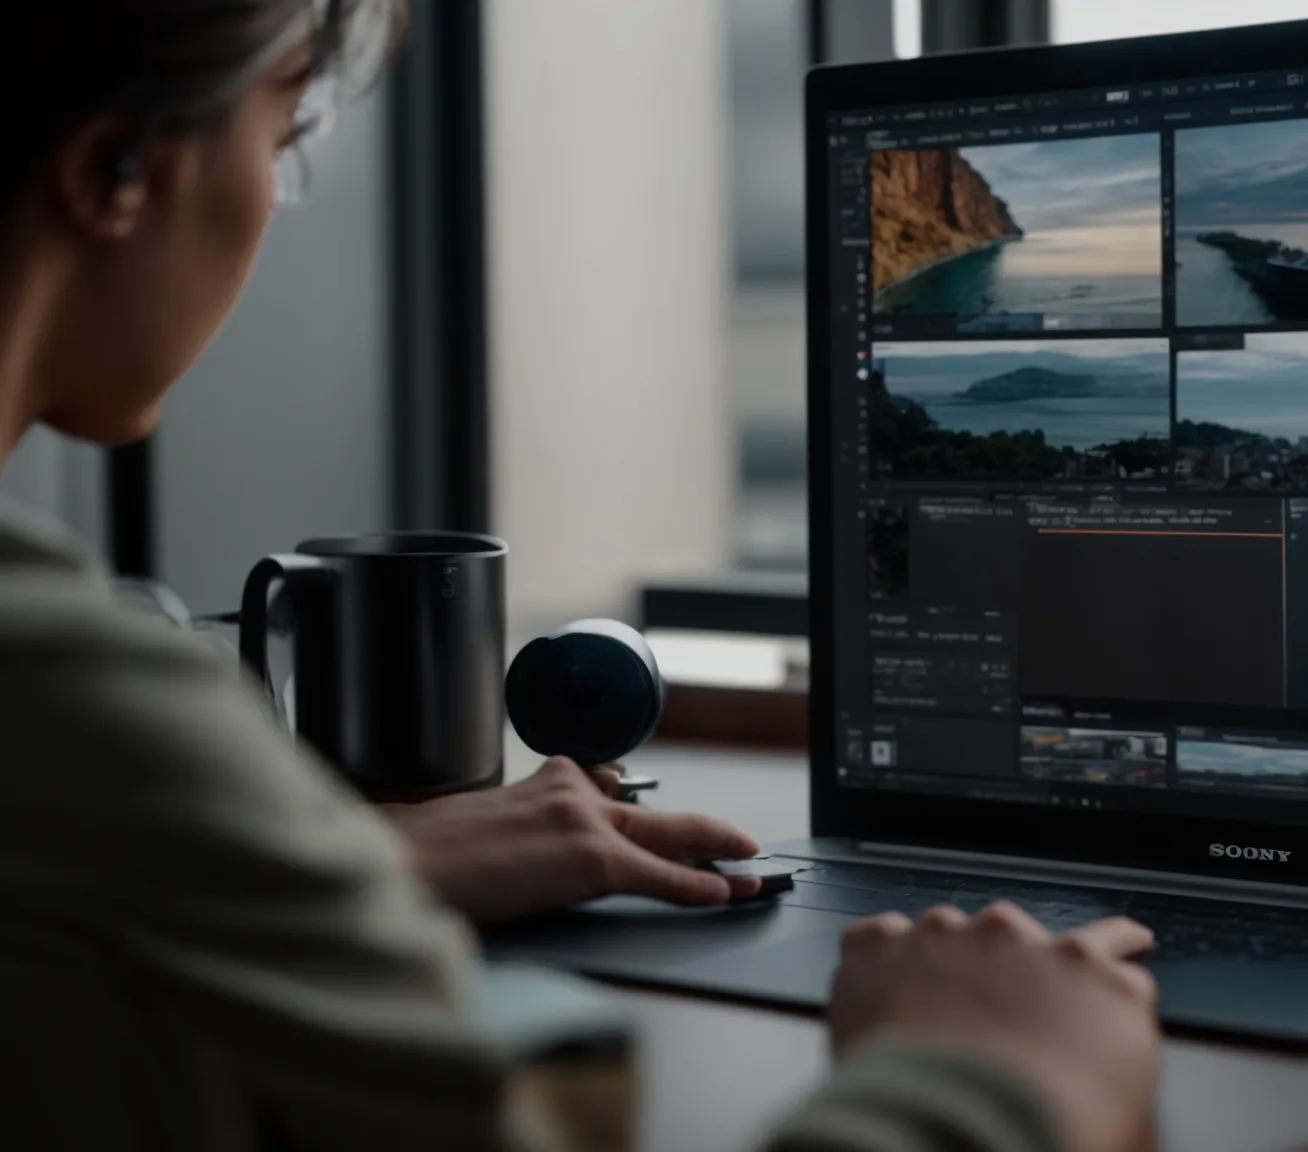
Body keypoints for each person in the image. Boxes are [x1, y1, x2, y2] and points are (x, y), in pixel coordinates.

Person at [0, 3, 1160, 1151]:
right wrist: (985, 1080)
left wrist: (328, 874)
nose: (271, 202)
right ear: (115, 167)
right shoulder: (66, 699)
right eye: (284, 136)